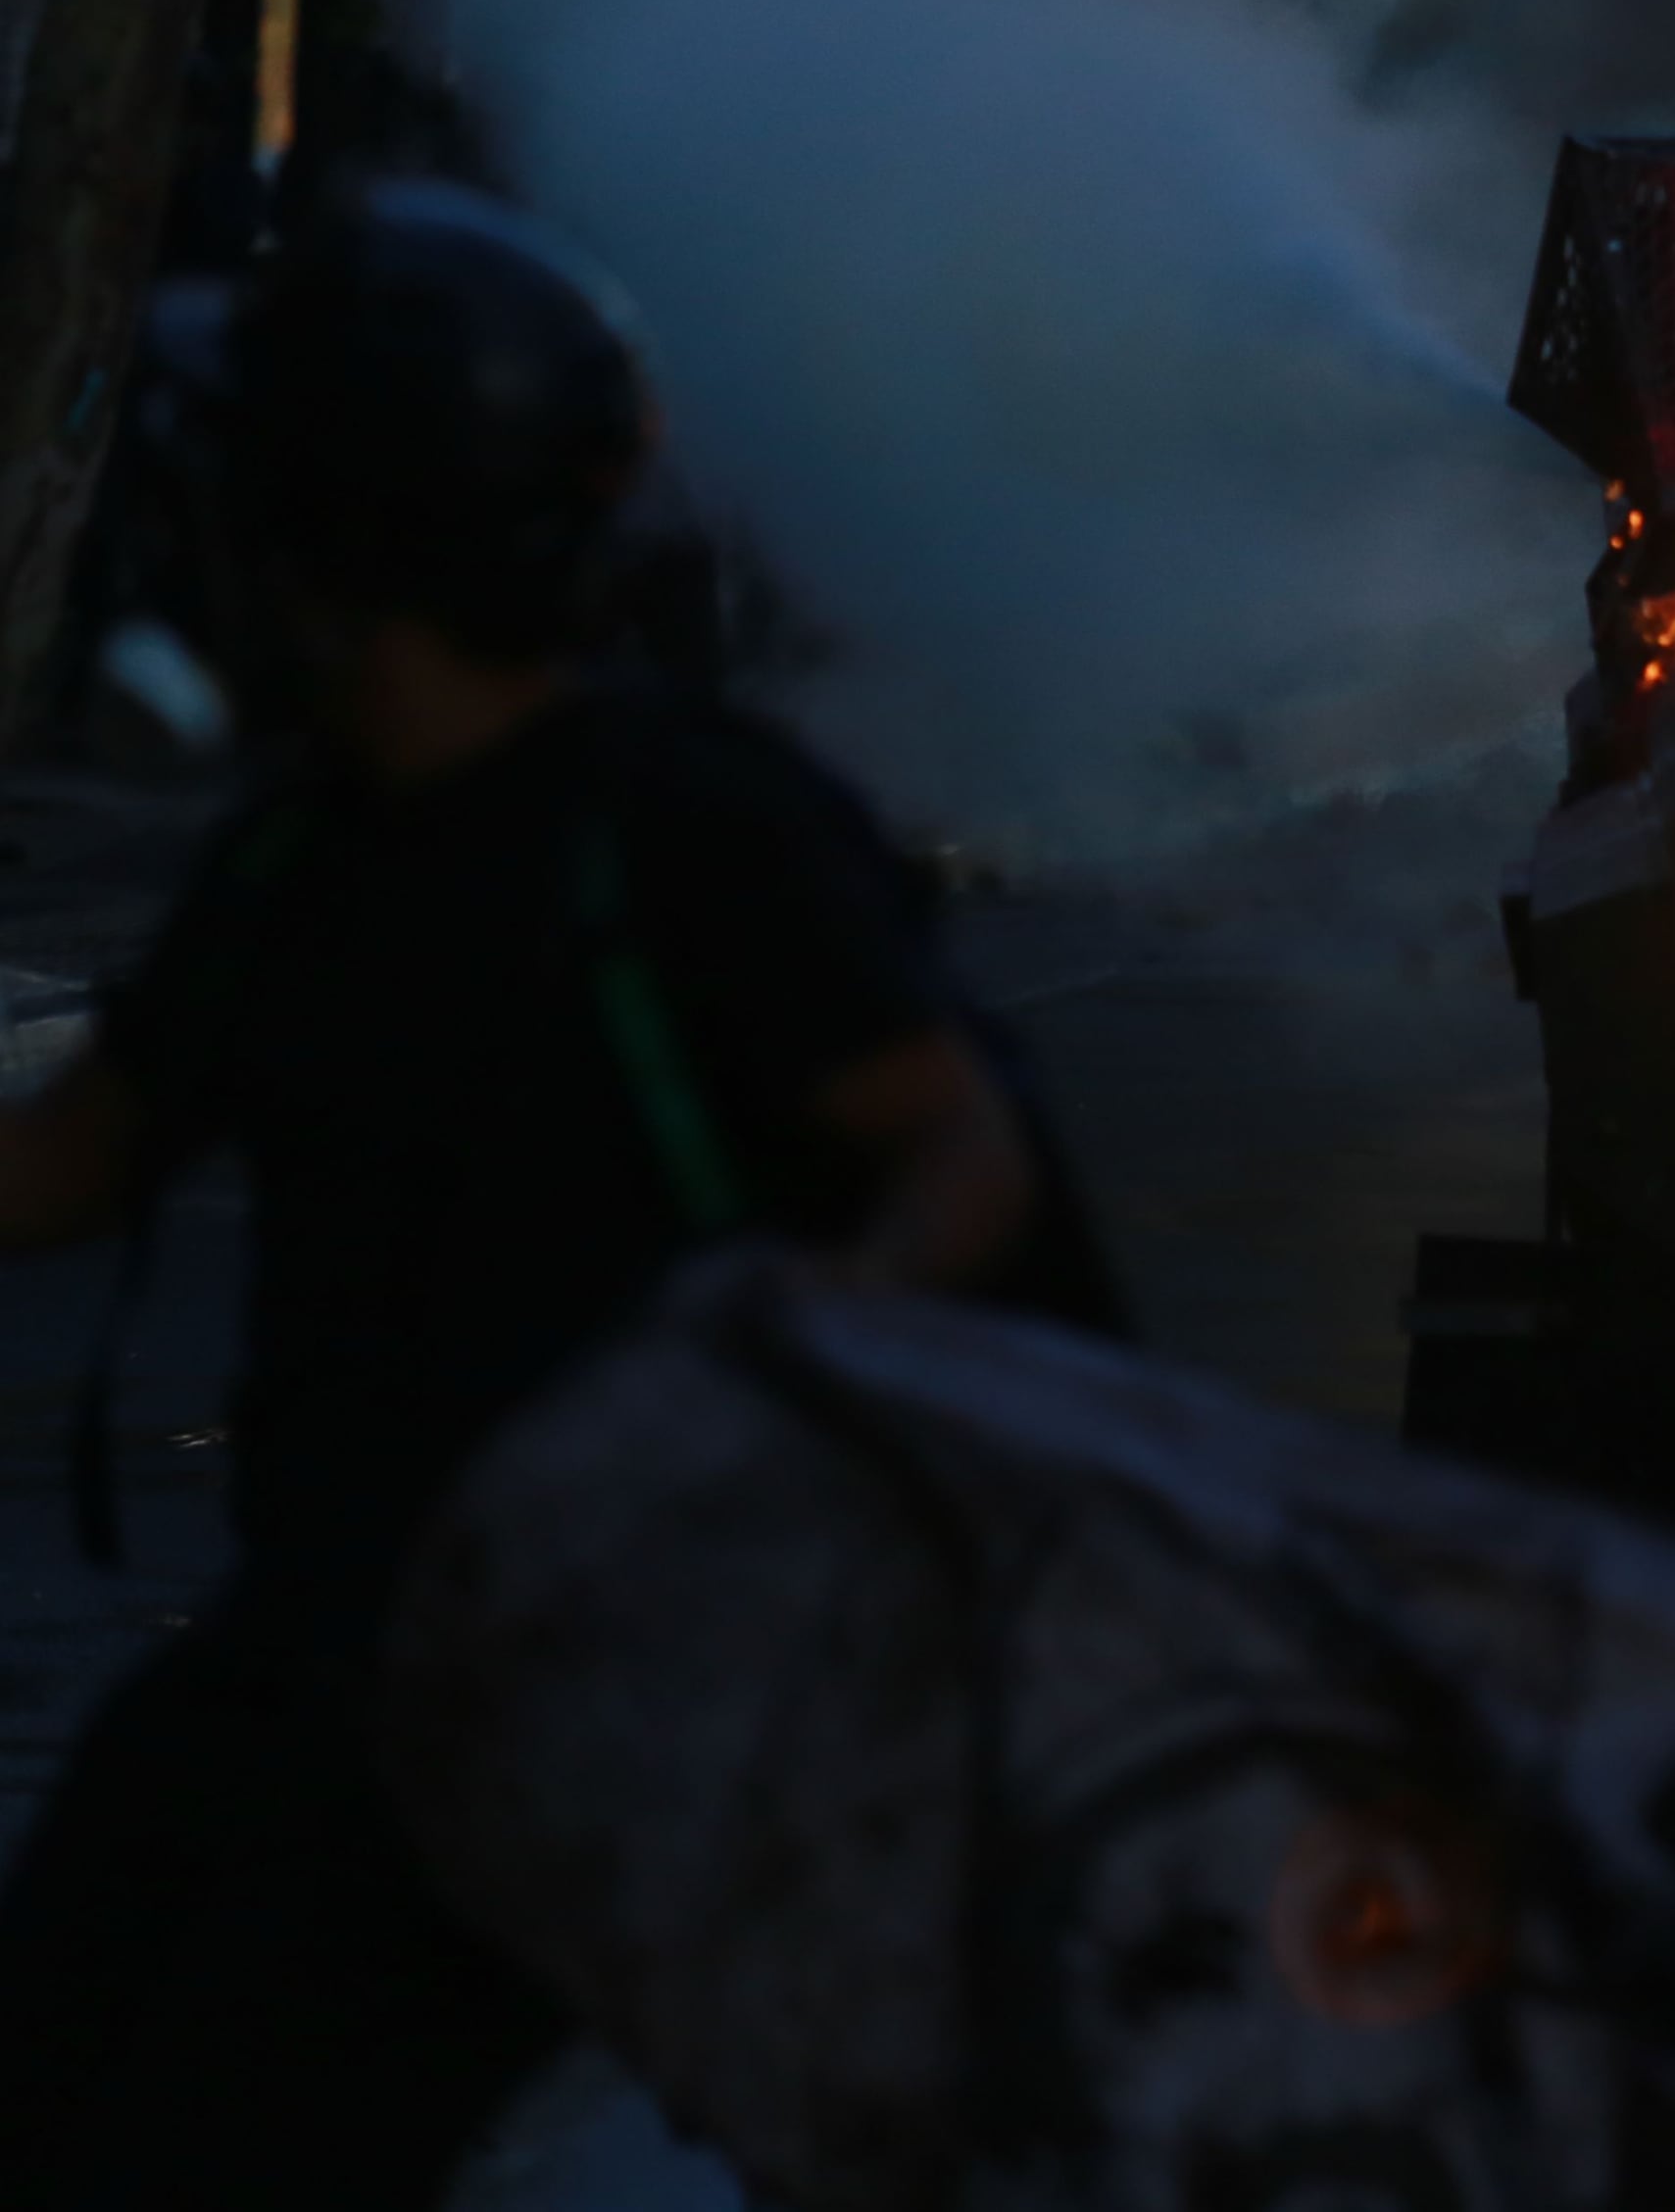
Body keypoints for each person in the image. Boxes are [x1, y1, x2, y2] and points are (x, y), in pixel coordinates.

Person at [0, 184, 1073, 2209]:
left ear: (324, 535)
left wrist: (777, 1342)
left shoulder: (686, 833)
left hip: (601, 1666)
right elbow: (63, 1162)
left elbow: (959, 1144)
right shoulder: (300, 852)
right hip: (331, 1635)